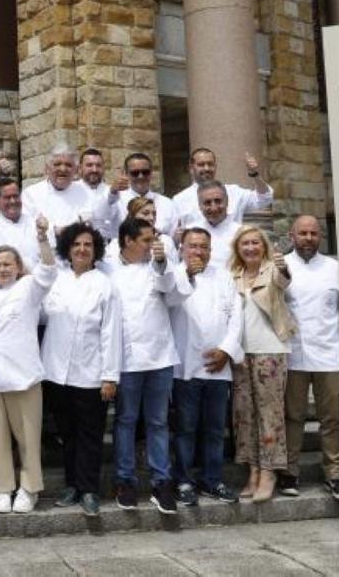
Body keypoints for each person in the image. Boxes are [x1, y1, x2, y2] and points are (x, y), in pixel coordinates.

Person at [105, 218, 191, 516]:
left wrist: (163, 263)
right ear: (128, 240)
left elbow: (174, 293)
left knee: (158, 422)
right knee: (126, 421)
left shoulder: (159, 267)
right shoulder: (108, 271)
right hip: (126, 359)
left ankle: (161, 482)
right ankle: (125, 481)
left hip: (160, 357)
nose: (151, 244)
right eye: (145, 239)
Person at [0, 215, 55, 514]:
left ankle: (29, 489)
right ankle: (3, 489)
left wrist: (43, 239)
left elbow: (48, 269)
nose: (2, 269)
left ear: (18, 267)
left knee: (28, 437)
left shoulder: (29, 288)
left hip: (23, 374)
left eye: (8, 264)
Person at [40, 221, 121, 517]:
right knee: (67, 434)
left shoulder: (105, 285)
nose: (82, 249)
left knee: (90, 435)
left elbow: (111, 332)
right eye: (76, 244)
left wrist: (110, 375)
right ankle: (71, 486)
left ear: (96, 249)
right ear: (68, 249)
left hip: (90, 373)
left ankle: (89, 490)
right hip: (55, 372)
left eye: (88, 244)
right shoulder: (56, 281)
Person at [169, 228, 243, 506]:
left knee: (214, 429)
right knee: (186, 428)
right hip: (186, 365)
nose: (198, 252)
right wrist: (187, 274)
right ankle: (183, 480)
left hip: (218, 367)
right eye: (193, 246)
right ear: (182, 249)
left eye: (204, 247)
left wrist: (226, 350)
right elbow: (169, 300)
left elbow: (236, 317)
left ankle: (212, 480)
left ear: (211, 251)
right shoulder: (172, 275)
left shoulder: (224, 277)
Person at [282, 215, 339, 500]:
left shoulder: (336, 268)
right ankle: (289, 472)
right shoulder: (281, 266)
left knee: (331, 418)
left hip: (329, 353)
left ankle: (335, 474)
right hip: (294, 354)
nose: (308, 238)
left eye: (313, 233)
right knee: (293, 416)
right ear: (292, 236)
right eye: (303, 233)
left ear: (320, 236)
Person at [229, 225, 295, 504]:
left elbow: (284, 280)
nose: (250, 248)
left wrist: (283, 266)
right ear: (237, 248)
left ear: (264, 246)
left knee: (270, 414)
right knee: (244, 415)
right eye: (245, 243)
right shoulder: (232, 275)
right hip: (240, 353)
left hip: (270, 350)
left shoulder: (273, 269)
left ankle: (269, 472)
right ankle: (253, 470)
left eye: (255, 243)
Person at [172, 148, 272, 228]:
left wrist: (254, 174)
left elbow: (265, 199)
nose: (206, 168)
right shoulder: (179, 200)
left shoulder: (234, 192)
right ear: (191, 168)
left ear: (215, 166)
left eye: (210, 164)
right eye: (201, 165)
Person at [21, 143, 94, 233]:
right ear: (47, 168)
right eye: (57, 164)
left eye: (68, 165)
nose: (63, 169)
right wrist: (55, 231)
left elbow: (88, 221)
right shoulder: (31, 194)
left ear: (76, 170)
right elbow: (26, 226)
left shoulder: (85, 193)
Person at [112, 152, 177, 235]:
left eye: (145, 172)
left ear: (151, 173)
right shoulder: (116, 202)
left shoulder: (167, 204)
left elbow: (173, 236)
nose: (141, 176)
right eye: (135, 173)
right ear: (126, 174)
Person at [117, 197, 179, 265]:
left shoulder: (166, 241)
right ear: (132, 215)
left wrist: (161, 261)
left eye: (154, 214)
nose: (151, 218)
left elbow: (175, 268)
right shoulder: (117, 243)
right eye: (145, 213)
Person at [194, 181, 241, 268]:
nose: (214, 208)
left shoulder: (241, 232)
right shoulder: (191, 232)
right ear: (199, 205)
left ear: (227, 201)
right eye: (207, 203)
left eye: (218, 201)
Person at [76, 148, 119, 239]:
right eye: (89, 165)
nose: (94, 170)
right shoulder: (72, 189)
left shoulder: (113, 191)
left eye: (98, 165)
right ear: (80, 168)